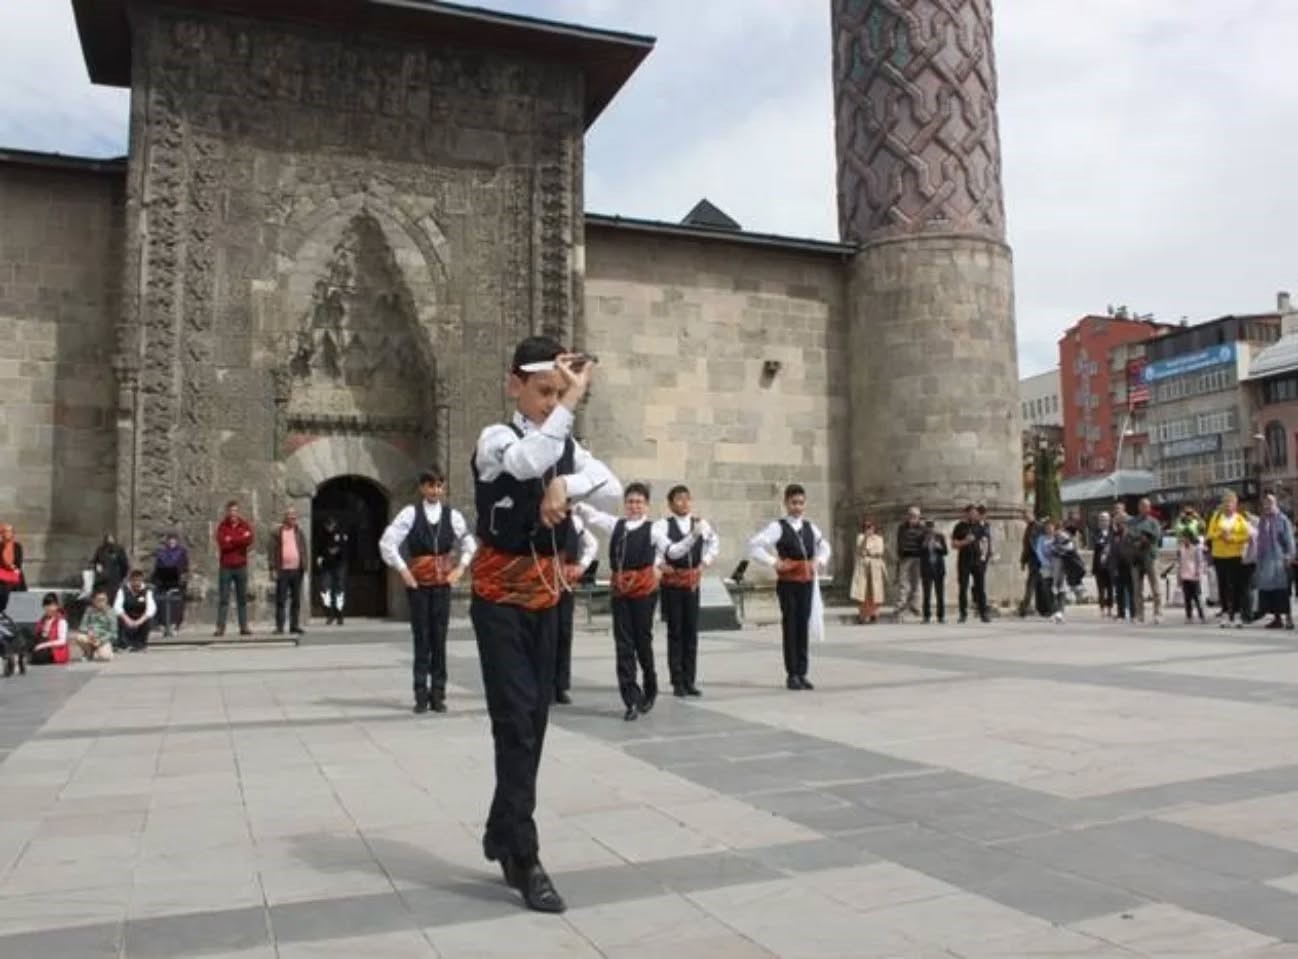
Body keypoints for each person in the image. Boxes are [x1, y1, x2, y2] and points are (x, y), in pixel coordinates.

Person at [468, 336, 621, 914]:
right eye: (543, 392)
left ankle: (500, 828)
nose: (552, 402)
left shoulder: (566, 447)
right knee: (515, 722)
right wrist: (571, 410)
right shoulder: (496, 439)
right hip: (499, 601)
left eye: (559, 393)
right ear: (516, 385)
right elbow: (526, 463)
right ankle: (525, 856)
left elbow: (610, 486)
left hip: (547, 597)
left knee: (534, 718)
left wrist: (568, 483)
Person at [379, 468, 477, 714]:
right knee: (421, 638)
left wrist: (460, 569)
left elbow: (469, 544)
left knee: (439, 639)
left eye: (439, 486)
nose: (435, 490)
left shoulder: (452, 516)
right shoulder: (410, 514)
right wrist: (404, 571)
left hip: (442, 585)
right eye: (431, 485)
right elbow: (387, 543)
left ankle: (439, 694)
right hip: (419, 585)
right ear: (422, 487)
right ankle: (420, 694)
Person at [578, 484, 662, 720]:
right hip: (620, 591)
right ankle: (630, 698)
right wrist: (574, 502)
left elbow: (668, 548)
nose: (634, 506)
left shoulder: (654, 529)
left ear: (646, 505)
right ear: (625, 504)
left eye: (639, 502)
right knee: (623, 644)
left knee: (642, 641)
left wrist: (658, 567)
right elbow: (594, 515)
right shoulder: (617, 525)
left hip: (643, 591)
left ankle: (650, 685)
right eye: (631, 502)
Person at [748, 484, 831, 691]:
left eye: (801, 503)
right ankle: (792, 673)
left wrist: (819, 560)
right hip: (789, 583)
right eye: (794, 503)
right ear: (786, 503)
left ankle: (802, 672)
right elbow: (754, 545)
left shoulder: (811, 527)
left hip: (806, 582)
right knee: (791, 626)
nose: (797, 507)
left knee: (803, 625)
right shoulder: (778, 527)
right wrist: (774, 562)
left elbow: (824, 546)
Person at [651, 484, 719, 697]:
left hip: (691, 582)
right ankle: (677, 680)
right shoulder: (663, 525)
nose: (684, 503)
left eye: (687, 498)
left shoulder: (700, 524)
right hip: (672, 582)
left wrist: (704, 563)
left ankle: (690, 679)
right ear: (670, 504)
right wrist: (659, 564)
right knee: (676, 631)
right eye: (679, 499)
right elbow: (654, 548)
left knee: (691, 631)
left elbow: (714, 543)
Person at [553, 509, 597, 705]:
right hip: (541, 582)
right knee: (544, 634)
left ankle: (560, 685)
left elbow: (592, 544)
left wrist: (582, 566)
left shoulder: (575, 522)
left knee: (564, 632)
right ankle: (543, 684)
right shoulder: (539, 517)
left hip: (565, 584)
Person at [1207, 492, 1253, 629]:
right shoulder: (1216, 517)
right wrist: (1220, 534)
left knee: (1236, 586)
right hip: (1219, 556)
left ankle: (1237, 615)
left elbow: (1247, 536)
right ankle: (1225, 614)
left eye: (1230, 502)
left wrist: (1233, 538)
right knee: (1223, 586)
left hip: (1235, 556)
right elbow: (1209, 534)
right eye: (1225, 502)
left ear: (1235, 505)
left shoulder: (1240, 519)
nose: (1227, 505)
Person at [1254, 493, 1294, 630]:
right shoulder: (1262, 520)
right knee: (1270, 591)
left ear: (1275, 504)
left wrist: (1289, 556)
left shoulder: (1282, 519)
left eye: (1270, 503)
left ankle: (1288, 618)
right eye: (1265, 504)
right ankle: (1277, 619)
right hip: (1265, 560)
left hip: (1279, 560)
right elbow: (1259, 541)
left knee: (1283, 590)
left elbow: (1289, 540)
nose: (1267, 506)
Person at [214, 500, 254, 637]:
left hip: (241, 566)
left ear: (238, 512)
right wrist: (239, 540)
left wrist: (231, 539)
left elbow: (248, 540)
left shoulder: (245, 525)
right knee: (224, 598)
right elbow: (223, 544)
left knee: (242, 598)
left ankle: (244, 626)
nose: (233, 513)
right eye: (231, 511)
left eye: (235, 511)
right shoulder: (222, 526)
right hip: (226, 566)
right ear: (228, 512)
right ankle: (220, 627)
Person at [268, 507, 308, 637]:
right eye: (291, 516)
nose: (293, 519)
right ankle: (280, 626)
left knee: (296, 600)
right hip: (283, 570)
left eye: (294, 516)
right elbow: (271, 551)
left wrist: (304, 564)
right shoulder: (277, 533)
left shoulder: (299, 532)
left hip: (297, 570)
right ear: (285, 518)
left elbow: (303, 548)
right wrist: (272, 568)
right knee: (281, 599)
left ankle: (294, 626)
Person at [951, 504, 991, 623]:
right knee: (963, 587)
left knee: (980, 587)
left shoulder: (980, 526)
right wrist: (965, 541)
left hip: (978, 560)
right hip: (964, 561)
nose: (974, 515)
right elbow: (954, 544)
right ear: (966, 514)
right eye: (972, 513)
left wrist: (985, 557)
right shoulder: (959, 526)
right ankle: (963, 614)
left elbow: (985, 542)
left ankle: (983, 613)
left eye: (976, 513)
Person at [1128, 498, 1163, 624]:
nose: (1145, 508)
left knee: (1155, 587)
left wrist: (1144, 540)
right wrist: (1137, 541)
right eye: (1142, 506)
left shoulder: (1154, 522)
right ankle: (1139, 614)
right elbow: (1129, 536)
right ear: (1139, 507)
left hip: (1150, 557)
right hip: (1136, 558)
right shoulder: (1132, 522)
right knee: (1137, 588)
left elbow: (1157, 537)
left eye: (1147, 506)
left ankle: (1158, 613)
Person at [850, 518, 887, 624]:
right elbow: (860, 549)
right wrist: (866, 539)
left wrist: (868, 552)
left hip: (875, 566)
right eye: (866, 527)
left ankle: (874, 613)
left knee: (875, 591)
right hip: (864, 567)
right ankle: (864, 614)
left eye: (870, 526)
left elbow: (879, 551)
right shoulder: (860, 537)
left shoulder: (879, 538)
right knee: (863, 591)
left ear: (874, 528)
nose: (868, 529)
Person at [152, 533, 189, 635]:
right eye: (170, 540)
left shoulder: (181, 552)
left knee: (176, 603)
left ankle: (175, 624)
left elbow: (185, 566)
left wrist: (183, 577)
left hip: (176, 580)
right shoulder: (162, 553)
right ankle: (163, 624)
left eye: (174, 540)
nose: (172, 542)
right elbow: (157, 567)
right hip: (164, 580)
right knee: (162, 602)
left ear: (177, 541)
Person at [1166, 532, 1207, 624]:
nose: (1184, 540)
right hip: (1185, 576)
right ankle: (1189, 616)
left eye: (1186, 538)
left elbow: (1200, 561)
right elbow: (1180, 563)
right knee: (1187, 598)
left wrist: (1198, 572)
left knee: (1197, 597)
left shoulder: (1196, 549)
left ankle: (1202, 616)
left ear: (1190, 539)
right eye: (1183, 539)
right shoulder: (1181, 550)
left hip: (1194, 576)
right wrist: (1179, 576)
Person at [316, 516, 349, 625]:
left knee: (339, 589)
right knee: (325, 589)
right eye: (327, 525)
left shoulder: (341, 534)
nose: (329, 527)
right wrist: (320, 557)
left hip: (339, 565)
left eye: (331, 525)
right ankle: (329, 614)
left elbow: (344, 548)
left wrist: (336, 551)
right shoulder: (322, 535)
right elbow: (319, 548)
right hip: (326, 566)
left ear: (334, 525)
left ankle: (340, 615)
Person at [894, 506, 924, 620]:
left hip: (917, 558)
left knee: (916, 583)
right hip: (905, 558)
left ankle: (915, 606)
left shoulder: (922, 528)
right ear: (908, 516)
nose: (913, 518)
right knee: (903, 583)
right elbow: (899, 541)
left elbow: (924, 541)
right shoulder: (902, 527)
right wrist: (900, 555)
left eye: (915, 516)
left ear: (919, 517)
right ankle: (900, 606)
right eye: (911, 515)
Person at [114, 569, 156, 651]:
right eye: (134, 580)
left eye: (139, 580)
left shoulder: (147, 591)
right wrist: (128, 620)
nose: (137, 583)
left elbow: (151, 609)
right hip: (126, 616)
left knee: (148, 620)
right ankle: (123, 644)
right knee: (119, 618)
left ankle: (141, 644)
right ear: (130, 580)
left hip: (140, 617)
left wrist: (139, 621)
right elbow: (117, 607)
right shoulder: (122, 590)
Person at [72, 589, 118, 662]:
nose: (101, 602)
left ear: (107, 600)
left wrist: (101, 640)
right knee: (79, 637)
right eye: (99, 600)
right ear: (94, 601)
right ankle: (89, 653)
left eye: (103, 600)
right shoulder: (89, 610)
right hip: (91, 637)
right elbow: (82, 626)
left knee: (104, 657)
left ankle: (99, 652)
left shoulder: (111, 612)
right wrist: (88, 631)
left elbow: (113, 634)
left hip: (103, 638)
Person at [919, 519, 948, 624]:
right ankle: (926, 616)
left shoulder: (940, 536)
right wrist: (924, 544)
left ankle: (941, 616)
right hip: (926, 568)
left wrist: (939, 547)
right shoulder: (921, 537)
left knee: (940, 594)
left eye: (931, 526)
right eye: (928, 526)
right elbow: (918, 552)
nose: (930, 529)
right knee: (926, 594)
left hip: (939, 568)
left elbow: (945, 551)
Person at [29, 593, 70, 665]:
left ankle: (31, 656)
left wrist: (42, 645)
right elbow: (38, 634)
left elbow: (62, 641)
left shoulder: (61, 620)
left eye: (51, 605)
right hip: (43, 644)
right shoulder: (43, 619)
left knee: (38, 657)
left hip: (55, 650)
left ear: (57, 606)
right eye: (46, 605)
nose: (48, 608)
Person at [1109, 514, 1134, 622]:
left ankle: (1133, 614)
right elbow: (1112, 551)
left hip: (1129, 565)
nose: (1118, 526)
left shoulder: (1131, 534)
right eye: (1117, 523)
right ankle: (1121, 614)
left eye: (1120, 523)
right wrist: (1113, 567)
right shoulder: (1115, 535)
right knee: (1119, 591)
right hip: (1118, 565)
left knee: (1131, 590)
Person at [92, 533, 131, 600]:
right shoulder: (100, 550)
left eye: (111, 538)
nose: (109, 540)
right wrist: (100, 573)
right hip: (103, 581)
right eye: (108, 538)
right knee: (104, 597)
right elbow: (96, 563)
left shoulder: (119, 550)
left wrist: (122, 577)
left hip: (114, 579)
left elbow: (124, 565)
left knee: (114, 597)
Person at [1017, 511, 1041, 617]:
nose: (1026, 519)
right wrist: (1023, 561)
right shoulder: (1028, 528)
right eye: (1024, 517)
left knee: (1034, 584)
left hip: (1039, 559)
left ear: (1033, 516)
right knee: (1032, 584)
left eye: (1027, 517)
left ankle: (1025, 607)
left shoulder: (1038, 527)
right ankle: (1026, 607)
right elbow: (1026, 547)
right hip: (1032, 559)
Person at [1091, 512, 1114, 617]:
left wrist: (1104, 543)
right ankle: (1102, 609)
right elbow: (1096, 543)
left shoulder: (1112, 533)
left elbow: (1113, 545)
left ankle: (1110, 608)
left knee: (1110, 588)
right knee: (1100, 589)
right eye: (1101, 520)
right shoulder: (1095, 533)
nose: (1103, 522)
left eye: (1105, 520)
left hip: (1110, 565)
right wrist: (1105, 543)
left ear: (1109, 521)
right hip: (1099, 565)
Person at [0, 523, 26, 608]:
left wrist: (11, 566)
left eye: (10, 531)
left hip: (14, 576)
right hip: (1, 576)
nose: (7, 533)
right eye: (5, 531)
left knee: (5, 588)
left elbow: (18, 564)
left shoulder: (17, 546)